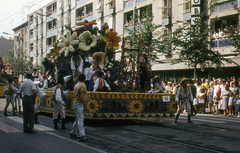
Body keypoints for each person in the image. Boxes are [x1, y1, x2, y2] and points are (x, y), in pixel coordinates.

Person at [70, 74, 90, 141]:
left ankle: (73, 132)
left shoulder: (77, 84)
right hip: (79, 103)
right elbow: (82, 96)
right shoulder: (83, 85)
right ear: (84, 79)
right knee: (80, 120)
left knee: (77, 119)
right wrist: (86, 105)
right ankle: (82, 135)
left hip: (76, 102)